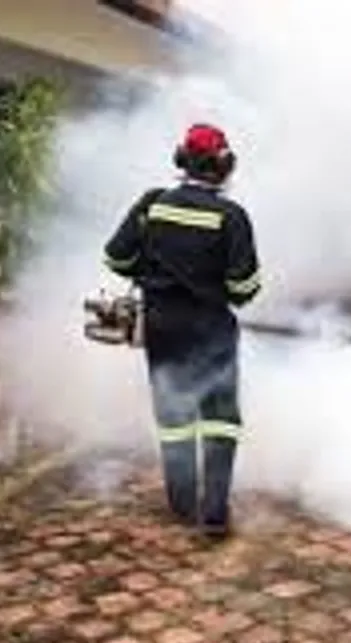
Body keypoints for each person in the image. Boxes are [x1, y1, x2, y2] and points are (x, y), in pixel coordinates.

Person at [102, 123, 261, 540]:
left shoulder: (153, 205)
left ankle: (182, 503)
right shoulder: (231, 217)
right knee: (220, 419)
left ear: (182, 160)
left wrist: (155, 277)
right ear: (223, 166)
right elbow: (244, 289)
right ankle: (214, 514)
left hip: (162, 328)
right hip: (212, 333)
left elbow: (116, 259)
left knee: (174, 415)